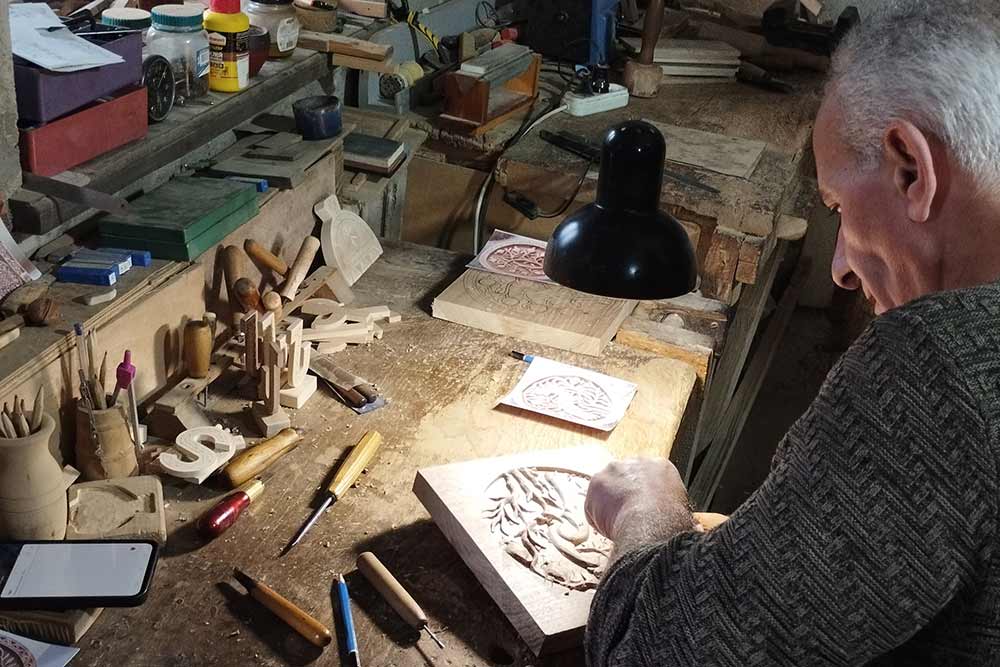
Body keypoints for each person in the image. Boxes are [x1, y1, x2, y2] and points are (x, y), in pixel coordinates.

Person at [583, 1, 1000, 664]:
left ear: (911, 170)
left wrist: (649, 510)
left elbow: (656, 653)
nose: (838, 267)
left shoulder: (939, 368)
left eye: (836, 206)